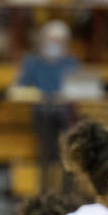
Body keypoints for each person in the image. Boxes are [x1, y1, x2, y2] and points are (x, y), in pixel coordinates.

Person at [13, 20, 80, 192]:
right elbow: (21, 87)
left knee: (69, 147)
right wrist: (39, 94)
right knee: (46, 149)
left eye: (59, 41)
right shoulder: (32, 61)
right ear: (43, 40)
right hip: (42, 114)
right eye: (52, 39)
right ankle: (44, 191)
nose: (55, 44)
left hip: (66, 115)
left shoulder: (71, 63)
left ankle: (66, 192)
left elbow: (80, 87)